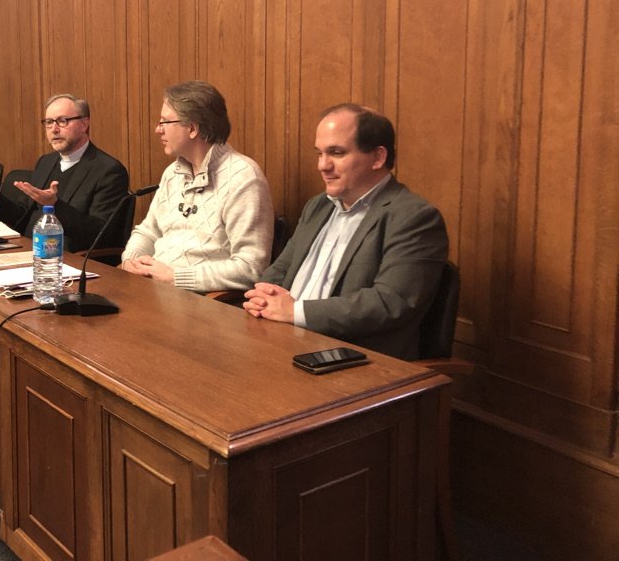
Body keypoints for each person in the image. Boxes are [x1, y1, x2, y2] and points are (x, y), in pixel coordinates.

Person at [243, 103, 448, 359]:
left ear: (378, 157)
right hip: (283, 340)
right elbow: (281, 268)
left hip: (351, 359)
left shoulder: (414, 217)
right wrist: (263, 296)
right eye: (319, 153)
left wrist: (295, 312)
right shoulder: (318, 206)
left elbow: (390, 302)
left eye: (336, 153)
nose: (322, 166)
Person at [120, 80, 273, 292]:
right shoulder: (172, 173)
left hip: (201, 306)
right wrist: (131, 260)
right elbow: (148, 231)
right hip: (153, 290)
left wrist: (175, 278)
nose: (158, 130)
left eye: (165, 122)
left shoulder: (243, 177)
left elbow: (250, 268)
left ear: (192, 128)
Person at [0, 93, 130, 252]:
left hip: (68, 261)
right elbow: (22, 217)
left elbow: (100, 234)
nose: (54, 129)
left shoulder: (109, 171)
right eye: (49, 122)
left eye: (63, 121)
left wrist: (54, 206)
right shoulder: (46, 162)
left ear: (84, 124)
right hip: (28, 252)